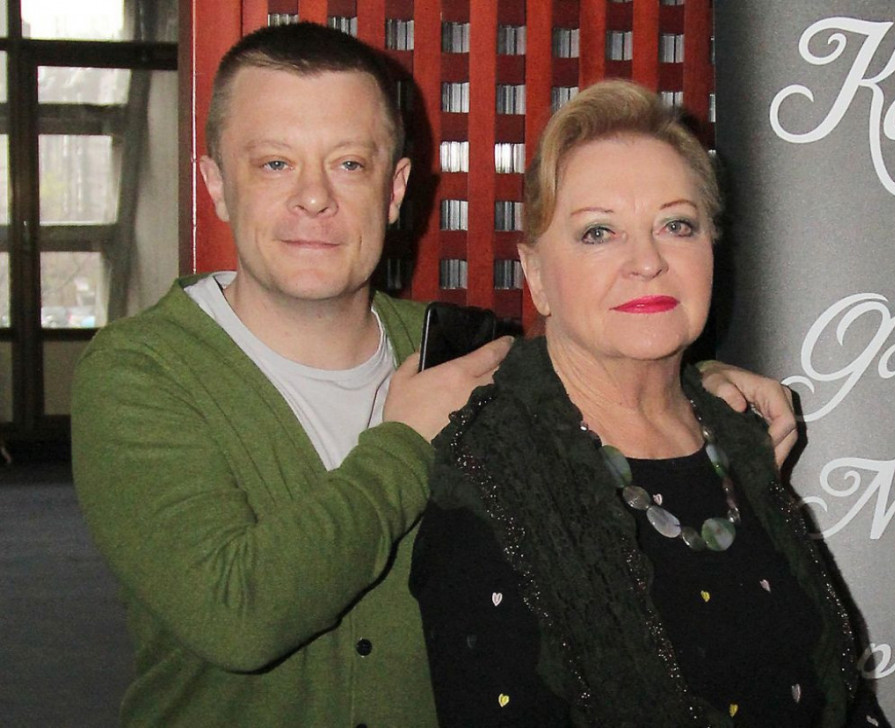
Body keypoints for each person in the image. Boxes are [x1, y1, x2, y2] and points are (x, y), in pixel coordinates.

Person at [71, 23, 799, 728]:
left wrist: (697, 382)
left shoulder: (460, 349)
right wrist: (404, 445)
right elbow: (238, 617)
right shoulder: (140, 372)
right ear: (216, 185)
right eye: (274, 164)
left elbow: (590, 373)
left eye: (349, 164)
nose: (314, 197)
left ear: (395, 190)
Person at [409, 80, 890, 727]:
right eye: (599, 232)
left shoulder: (737, 437)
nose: (647, 261)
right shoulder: (487, 476)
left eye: (676, 225)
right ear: (537, 275)